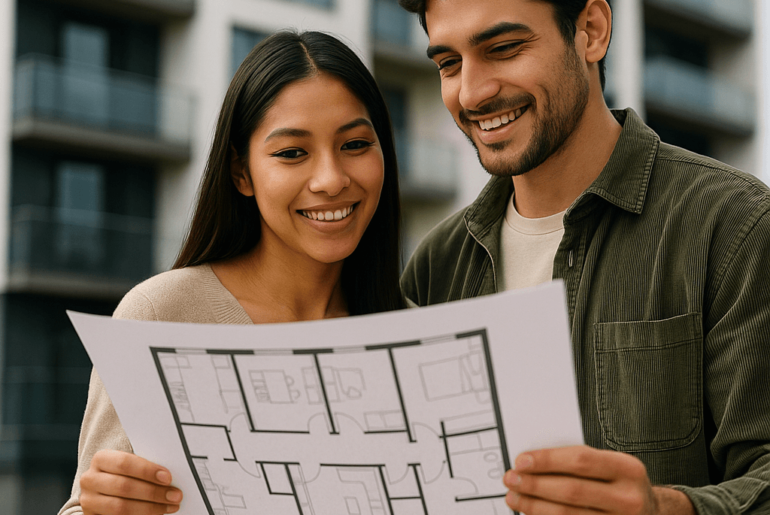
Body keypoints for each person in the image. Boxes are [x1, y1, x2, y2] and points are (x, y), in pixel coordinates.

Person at [397, 0, 770, 514]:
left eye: (503, 49)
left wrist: (662, 510)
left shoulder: (734, 224)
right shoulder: (435, 266)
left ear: (591, 30)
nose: (471, 92)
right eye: (448, 64)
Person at [58, 30, 405, 515]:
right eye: (291, 153)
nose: (331, 179)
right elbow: (87, 505)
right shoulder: (159, 317)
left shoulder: (412, 332)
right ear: (242, 173)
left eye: (355, 144)